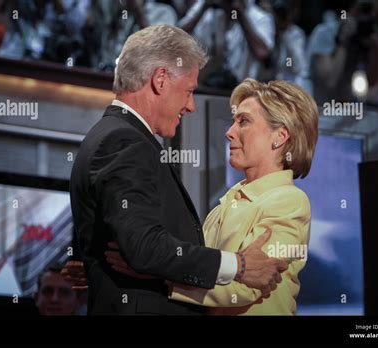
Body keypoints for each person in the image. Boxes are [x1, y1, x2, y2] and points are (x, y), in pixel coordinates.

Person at [69, 24, 288, 316]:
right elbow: (144, 247)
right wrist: (240, 265)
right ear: (160, 79)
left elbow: (130, 245)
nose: (191, 105)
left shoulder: (114, 136)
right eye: (188, 91)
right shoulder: (123, 141)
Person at [107, 79, 318, 315]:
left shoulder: (289, 202)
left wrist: (156, 275)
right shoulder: (230, 200)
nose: (229, 133)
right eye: (233, 121)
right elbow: (198, 265)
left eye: (244, 121)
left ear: (280, 136)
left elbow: (252, 283)